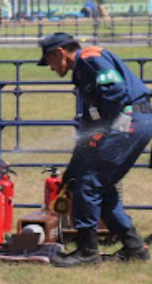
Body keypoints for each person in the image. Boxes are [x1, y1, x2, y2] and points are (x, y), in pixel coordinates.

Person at [37, 33, 152, 267]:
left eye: (48, 60)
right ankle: (134, 246)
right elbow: (89, 125)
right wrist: (73, 169)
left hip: (129, 120)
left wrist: (105, 131)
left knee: (89, 183)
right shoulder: (82, 72)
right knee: (101, 184)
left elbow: (116, 93)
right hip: (130, 120)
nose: (50, 68)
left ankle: (87, 252)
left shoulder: (90, 58)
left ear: (60, 52)